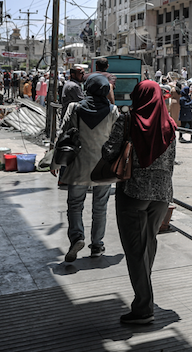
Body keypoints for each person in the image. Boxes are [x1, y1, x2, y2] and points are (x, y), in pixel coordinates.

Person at [111, 80, 177, 325]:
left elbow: (109, 151)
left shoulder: (127, 121)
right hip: (161, 196)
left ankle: (143, 307)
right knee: (148, 245)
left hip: (133, 193)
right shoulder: (169, 126)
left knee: (134, 251)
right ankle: (144, 292)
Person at [52, 75, 118, 261]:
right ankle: (97, 245)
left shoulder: (75, 108)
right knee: (100, 207)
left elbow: (63, 135)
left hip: (78, 166)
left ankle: (77, 238)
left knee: (74, 205)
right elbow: (118, 137)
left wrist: (55, 163)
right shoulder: (113, 110)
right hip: (103, 167)